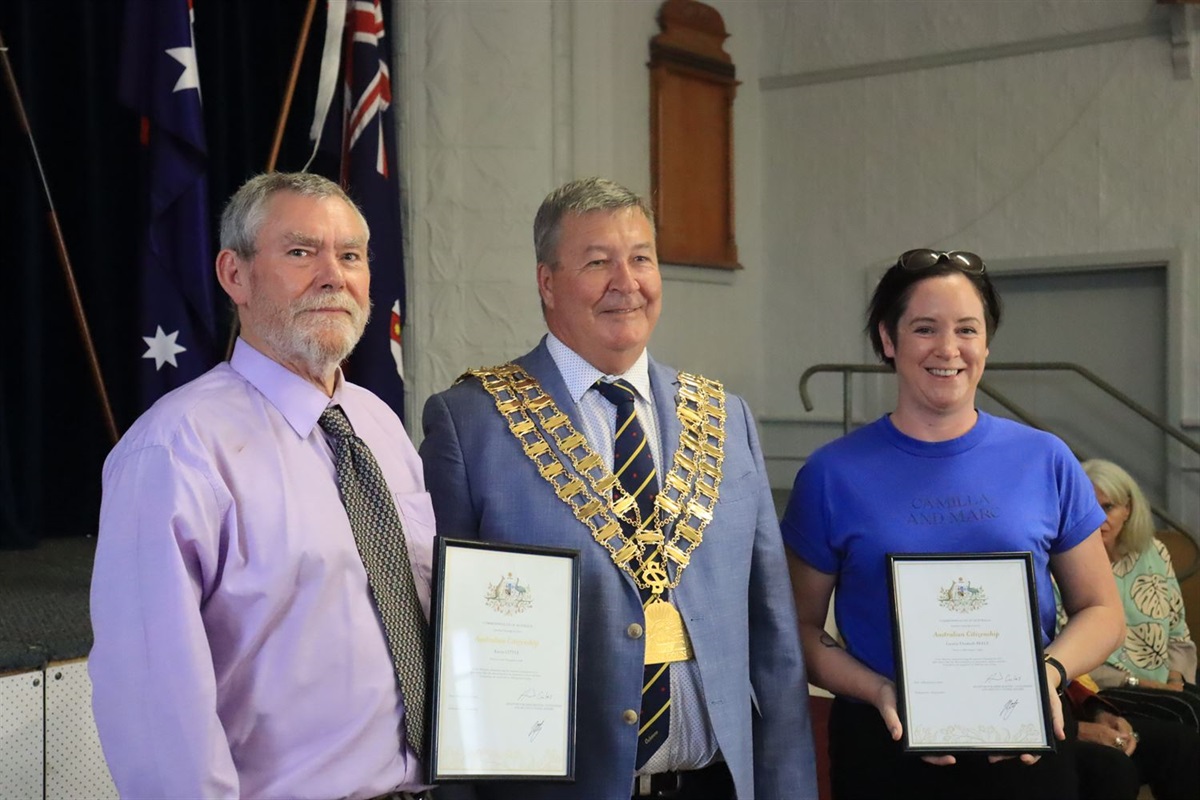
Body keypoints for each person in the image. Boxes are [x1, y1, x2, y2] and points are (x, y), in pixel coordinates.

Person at [420, 177, 818, 800]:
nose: (625, 282)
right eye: (597, 262)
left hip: (714, 785)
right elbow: (449, 650)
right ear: (547, 282)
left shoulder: (723, 416)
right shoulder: (472, 422)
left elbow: (774, 638)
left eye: (641, 258)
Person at [90, 172, 439, 799]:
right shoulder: (176, 448)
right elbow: (154, 701)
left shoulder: (380, 426)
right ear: (235, 275)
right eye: (301, 252)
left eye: (351, 255)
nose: (334, 276)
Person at [781, 249, 1126, 800]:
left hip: (1025, 743)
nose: (948, 349)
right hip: (884, 744)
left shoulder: (1045, 458)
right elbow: (796, 629)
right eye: (924, 329)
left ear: (986, 343)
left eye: (968, 329)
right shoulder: (831, 474)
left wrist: (1048, 675)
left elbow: (1103, 612)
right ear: (888, 340)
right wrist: (879, 691)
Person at [1075, 458, 1200, 729]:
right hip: (1104, 690)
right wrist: (1142, 684)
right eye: (1088, 507)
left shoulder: (1154, 552)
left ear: (1128, 509)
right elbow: (1073, 654)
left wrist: (1175, 681)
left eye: (1108, 507)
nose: (1098, 519)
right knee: (1188, 714)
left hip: (1167, 684)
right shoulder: (1065, 564)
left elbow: (1179, 634)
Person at [1067, 675, 1200, 800]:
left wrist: (1099, 710)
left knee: (1182, 742)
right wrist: (1077, 729)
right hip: (1053, 733)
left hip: (1071, 710)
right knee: (1113, 767)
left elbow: (1067, 682)